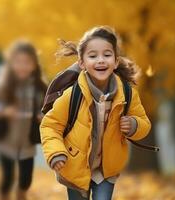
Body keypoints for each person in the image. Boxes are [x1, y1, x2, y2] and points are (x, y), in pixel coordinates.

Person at [40, 26, 151, 200]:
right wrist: (56, 153)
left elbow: (144, 123)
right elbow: (50, 125)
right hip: (74, 165)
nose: (100, 60)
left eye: (107, 55)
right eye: (93, 56)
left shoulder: (127, 94)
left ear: (115, 61)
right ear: (82, 62)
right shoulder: (73, 95)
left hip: (106, 172)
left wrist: (134, 125)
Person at [0, 40, 47, 200]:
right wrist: (2, 111)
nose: (22, 66)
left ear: (35, 64)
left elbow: (49, 108)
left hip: (27, 144)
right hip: (5, 142)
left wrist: (42, 116)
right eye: (18, 62)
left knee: (26, 181)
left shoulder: (39, 87)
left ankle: (21, 195)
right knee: (7, 179)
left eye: (27, 62)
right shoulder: (4, 84)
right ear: (11, 63)